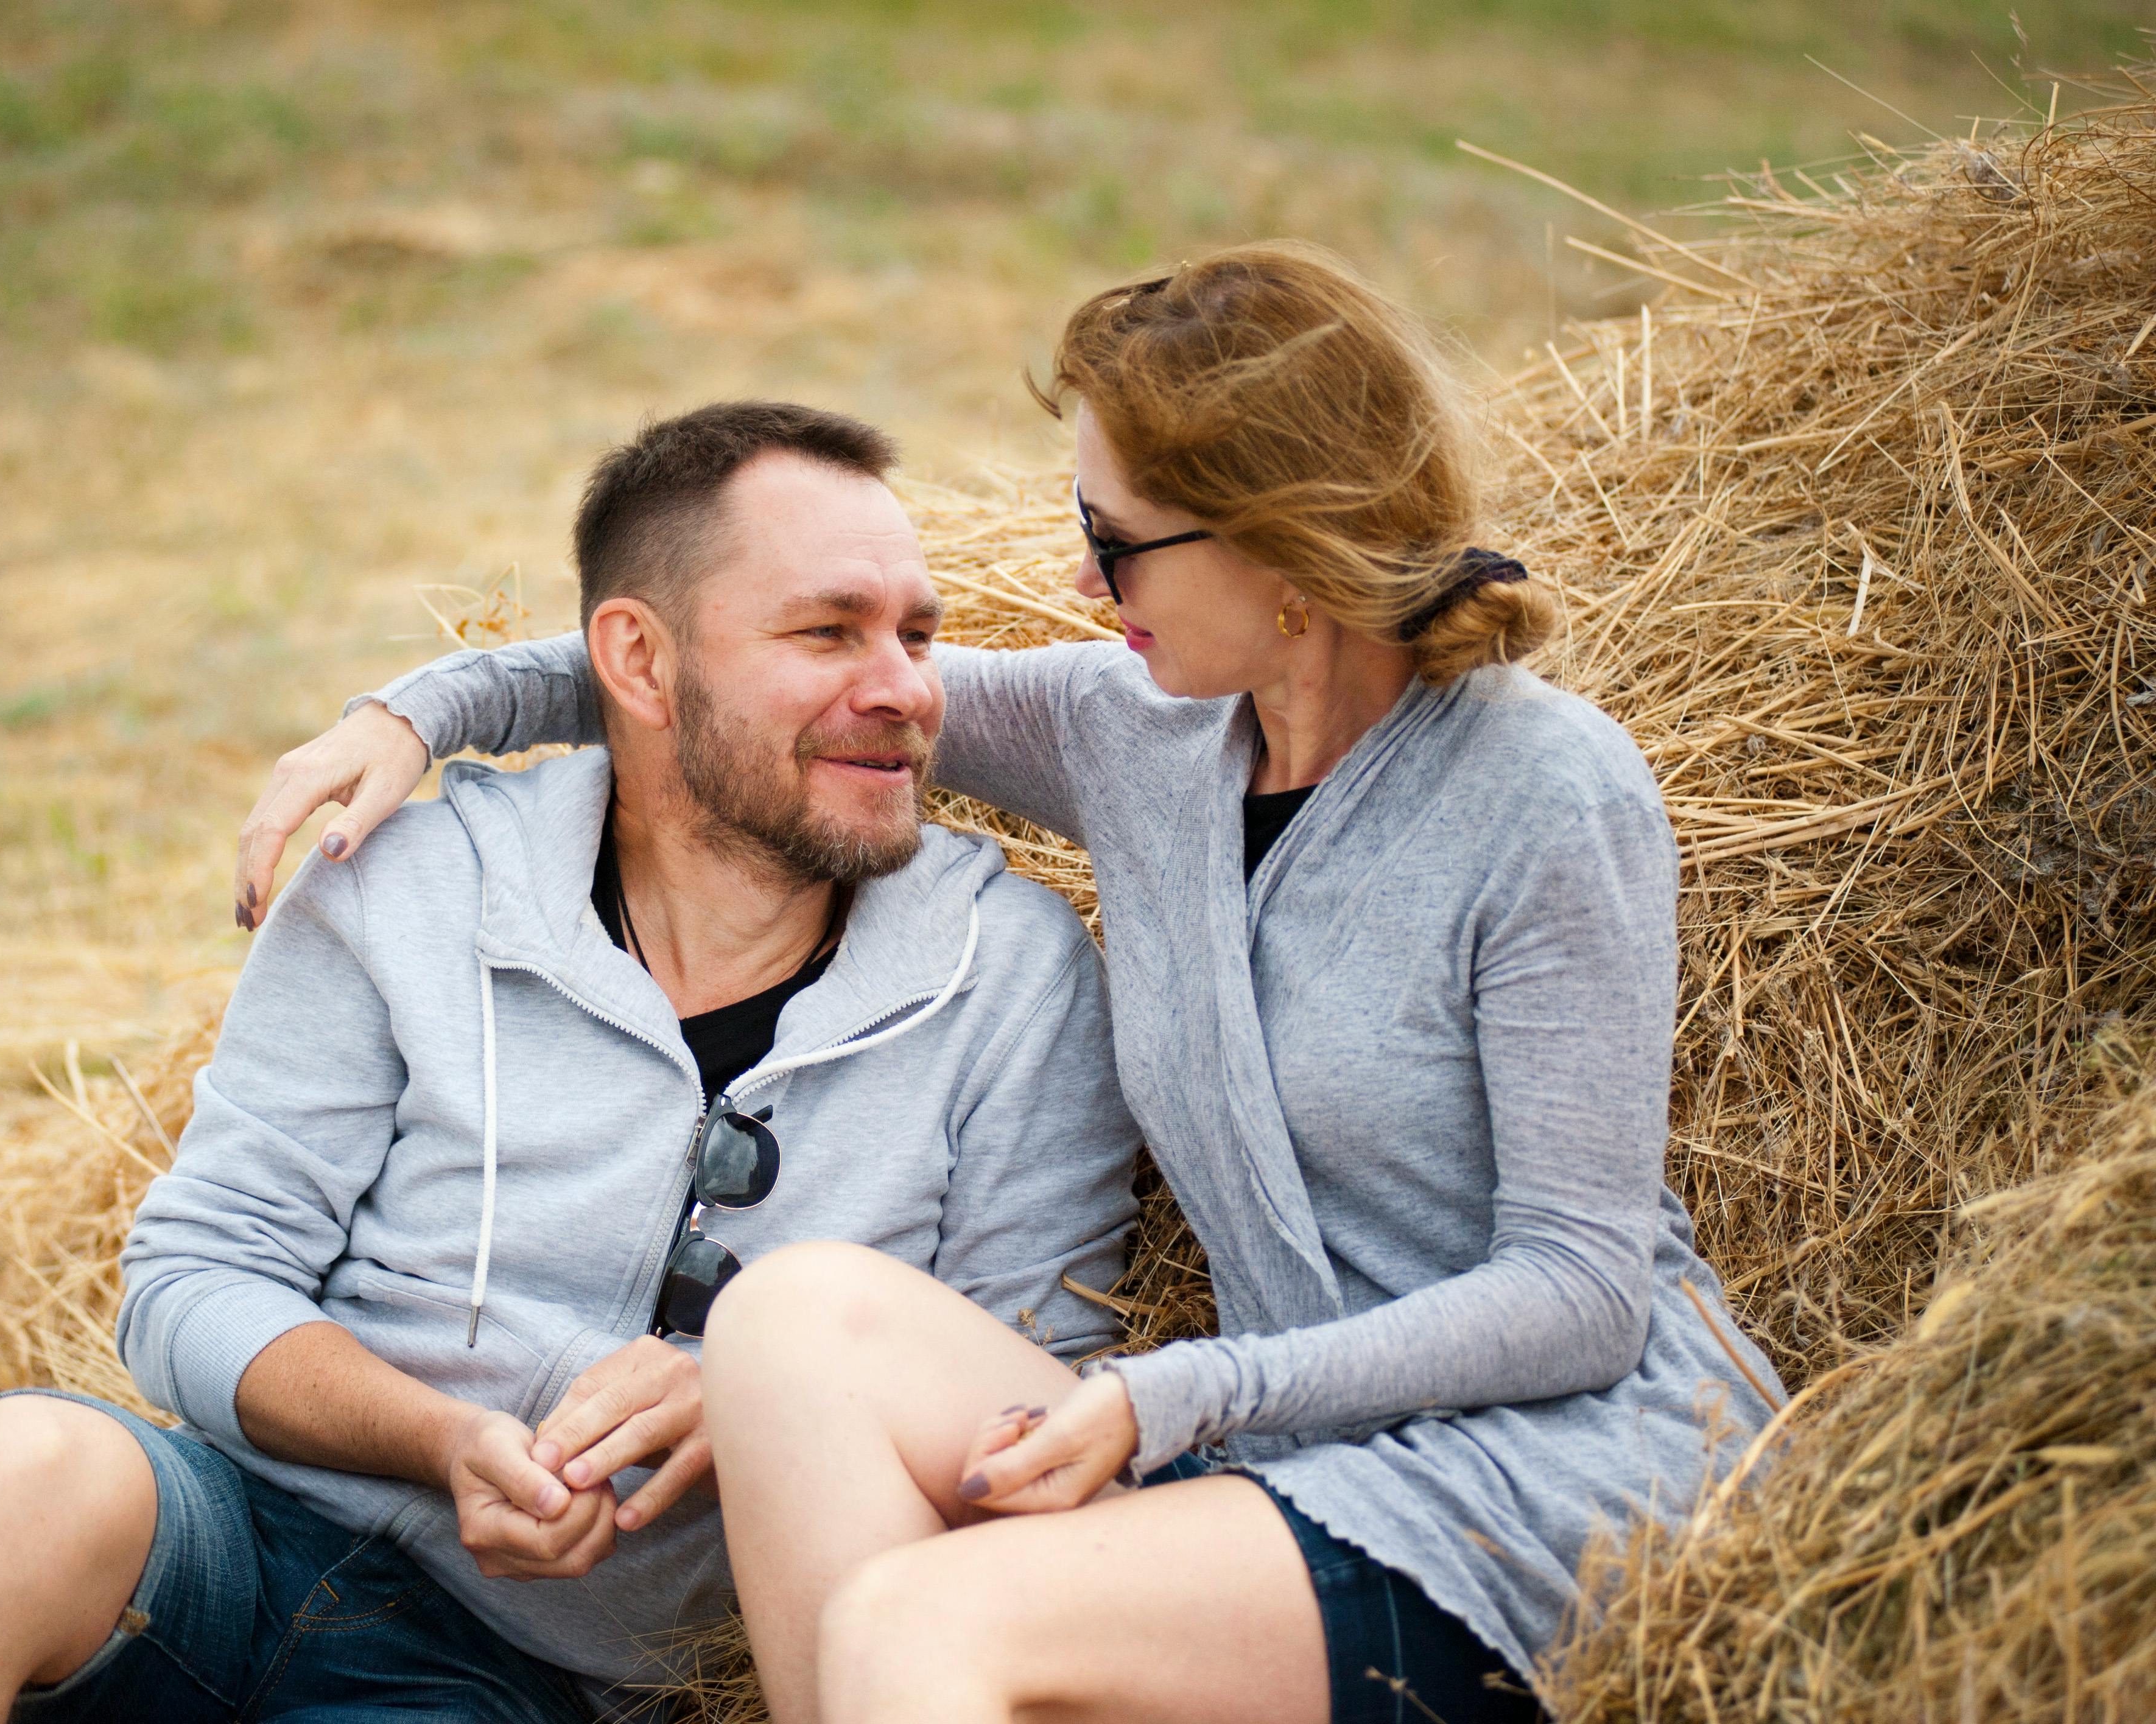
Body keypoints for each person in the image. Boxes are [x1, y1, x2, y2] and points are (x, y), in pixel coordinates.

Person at [236, 242, 1788, 1724]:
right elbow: (727, 684)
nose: (1083, 570)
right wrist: (419, 715)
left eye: (1116, 538)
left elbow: (1583, 1295)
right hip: (1280, 1472)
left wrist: (1187, 1391)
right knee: (788, 1322)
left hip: (1553, 1481)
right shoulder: (1146, 732)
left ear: (1280, 541)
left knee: (908, 1622)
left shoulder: (1546, 789)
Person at [0, 402, 1140, 1724]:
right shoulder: (406, 883)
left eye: (916, 634)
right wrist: (435, 1439)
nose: (904, 690)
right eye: (829, 632)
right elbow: (192, 1279)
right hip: (254, 1535)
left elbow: (1037, 1398)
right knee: (20, 1470)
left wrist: (768, 1396)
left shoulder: (1011, 975)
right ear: (640, 662)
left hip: (545, 1677)